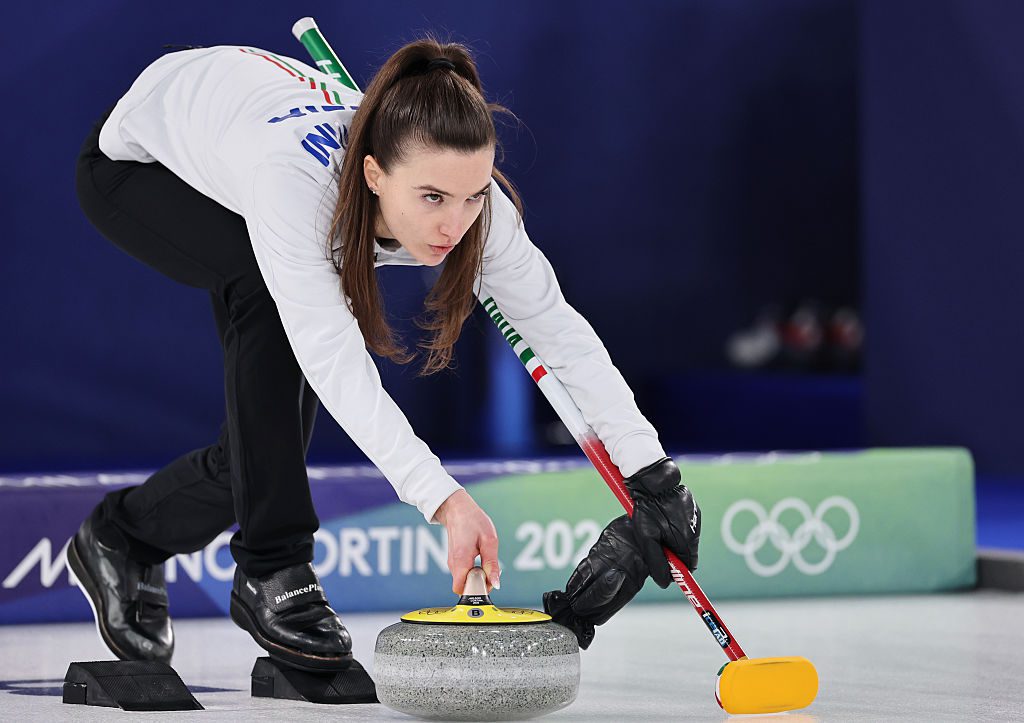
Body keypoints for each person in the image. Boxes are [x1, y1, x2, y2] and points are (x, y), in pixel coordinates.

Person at [67, 37, 701, 671]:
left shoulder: (476, 211)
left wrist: (652, 474)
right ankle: (272, 569)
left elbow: (558, 331)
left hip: (244, 132)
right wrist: (442, 498)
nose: (454, 226)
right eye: (432, 199)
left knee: (261, 455)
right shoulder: (296, 187)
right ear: (374, 175)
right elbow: (334, 361)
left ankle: (124, 537)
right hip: (143, 162)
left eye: (473, 195)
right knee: (266, 305)